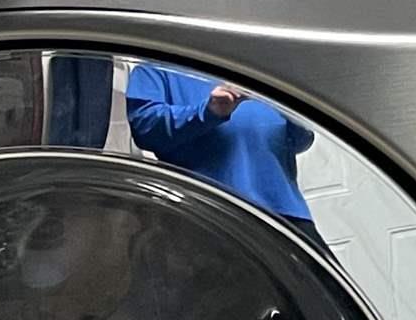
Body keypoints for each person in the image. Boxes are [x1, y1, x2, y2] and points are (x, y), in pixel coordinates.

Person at [123, 63, 323, 244]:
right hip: (210, 216)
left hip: (286, 214)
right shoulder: (155, 69)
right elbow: (145, 129)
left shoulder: (259, 67)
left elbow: (300, 140)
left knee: (324, 284)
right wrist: (209, 112)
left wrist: (293, 110)